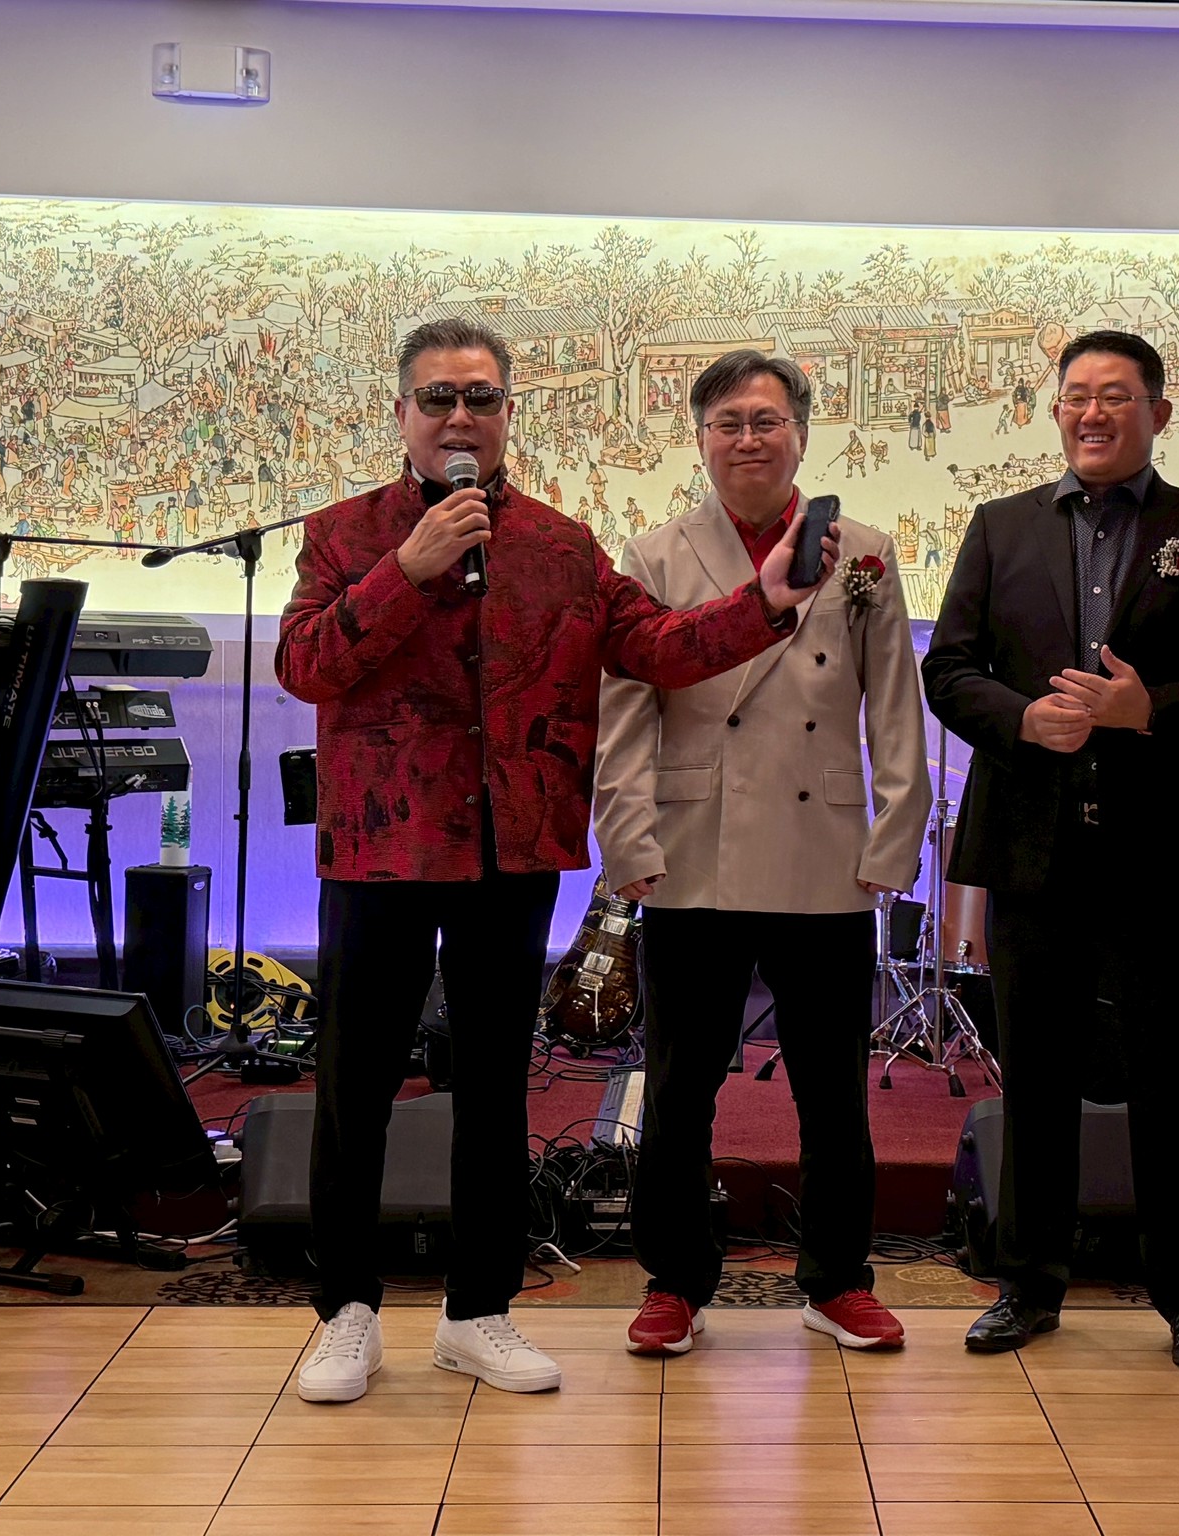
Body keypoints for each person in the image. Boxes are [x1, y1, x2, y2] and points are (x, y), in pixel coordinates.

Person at [276, 319, 836, 1402]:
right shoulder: (345, 533)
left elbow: (657, 647)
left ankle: (477, 1311)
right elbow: (306, 665)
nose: (459, 419)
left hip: (513, 844)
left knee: (494, 1086)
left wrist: (762, 604)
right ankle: (346, 1311)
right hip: (384, 844)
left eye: (481, 399)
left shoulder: (561, 545)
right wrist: (407, 569)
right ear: (401, 414)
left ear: (507, 416)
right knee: (354, 1083)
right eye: (438, 398)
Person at [922, 330, 1179, 1370]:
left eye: (1115, 396)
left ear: (1158, 413)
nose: (1091, 413)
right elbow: (950, 669)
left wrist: (1144, 709)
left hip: (1156, 849)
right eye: (1075, 395)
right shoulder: (1000, 527)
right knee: (1035, 1071)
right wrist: (1023, 720)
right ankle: (1027, 1283)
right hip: (1031, 846)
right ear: (1056, 413)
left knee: (1171, 1074)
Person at [595, 351, 931, 1355]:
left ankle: (837, 1280)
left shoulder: (862, 552)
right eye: (728, 422)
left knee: (832, 1090)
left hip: (823, 847)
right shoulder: (653, 553)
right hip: (693, 845)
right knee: (679, 1085)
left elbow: (895, 706)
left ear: (801, 435)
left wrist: (896, 834)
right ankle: (673, 1282)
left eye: (766, 420)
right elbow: (626, 708)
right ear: (700, 440)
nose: (748, 438)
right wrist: (625, 832)